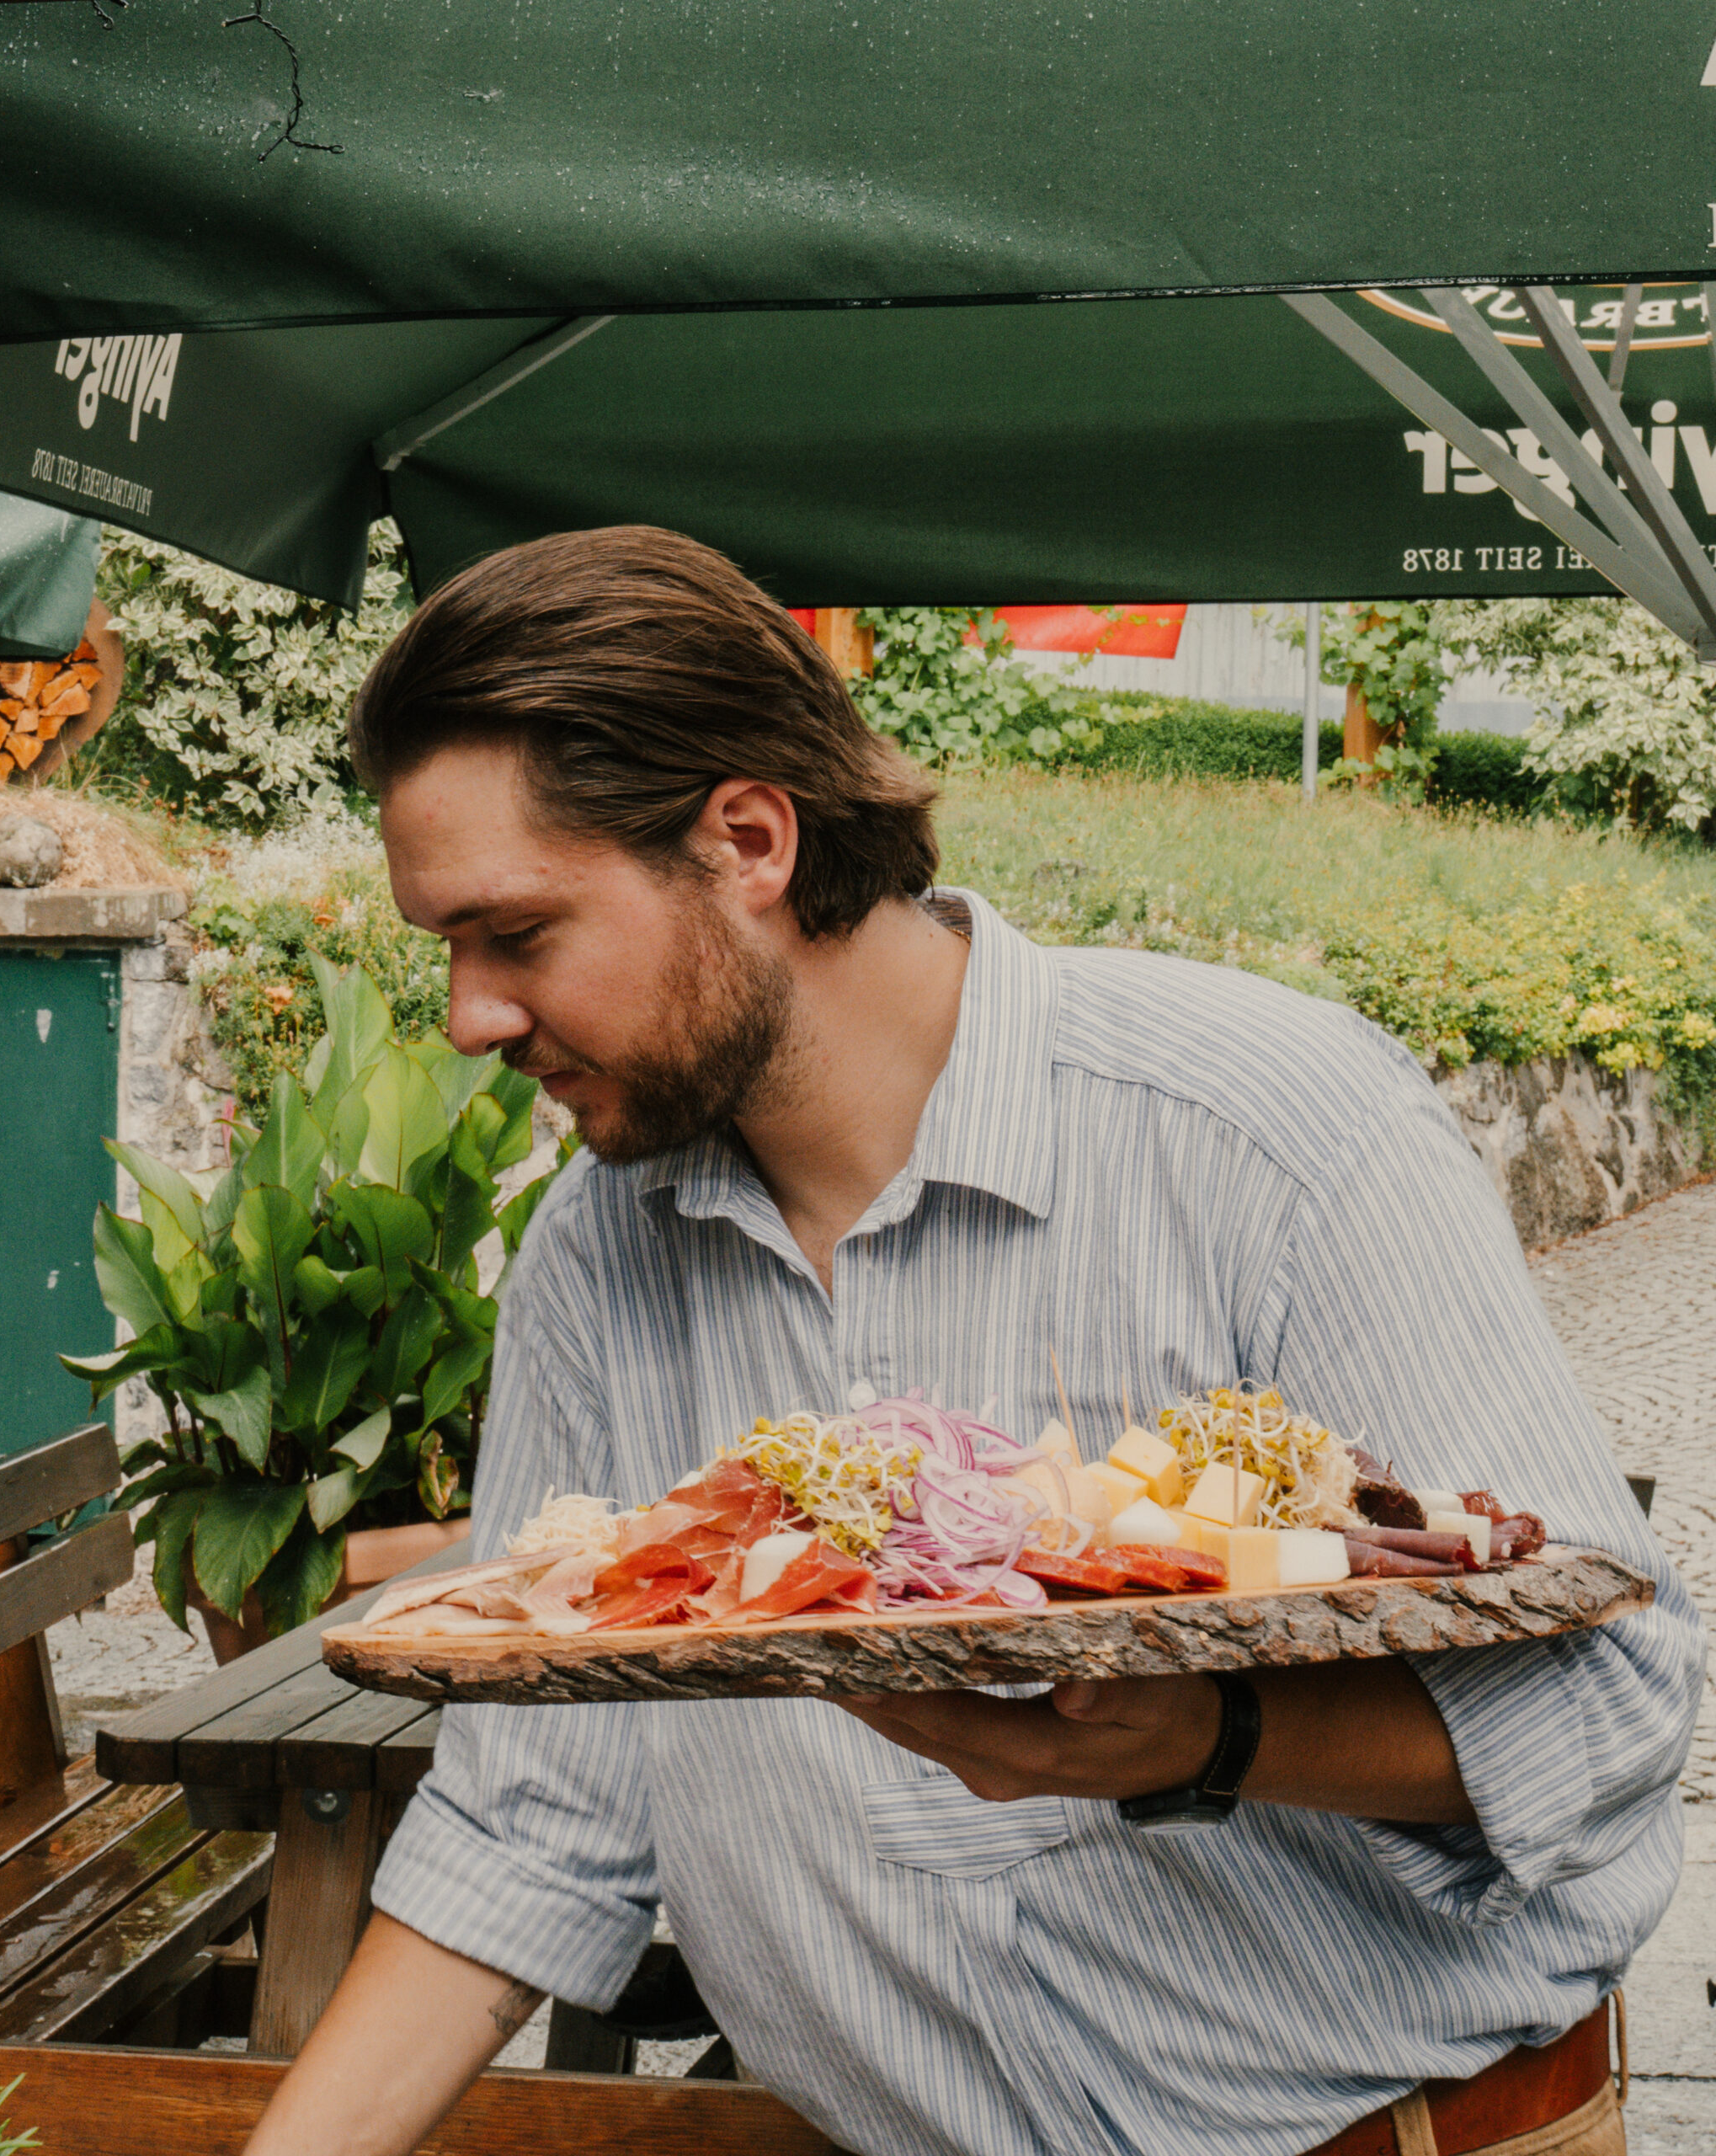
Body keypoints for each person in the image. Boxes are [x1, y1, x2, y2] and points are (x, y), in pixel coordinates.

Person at [245, 526, 1702, 2156]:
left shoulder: (1265, 1130)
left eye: (516, 935)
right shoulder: (599, 1248)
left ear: (748, 841)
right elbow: (534, 1820)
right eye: (447, 948)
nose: (470, 1016)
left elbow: (1613, 1710)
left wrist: (1212, 1737)